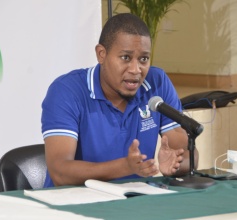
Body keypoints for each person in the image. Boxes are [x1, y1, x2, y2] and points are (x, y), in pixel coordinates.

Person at [41, 13, 198, 187]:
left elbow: (188, 155)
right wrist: (125, 167)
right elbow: (60, 172)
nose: (136, 69)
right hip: (72, 205)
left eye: (143, 59)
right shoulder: (67, 91)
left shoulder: (157, 83)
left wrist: (175, 164)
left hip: (136, 202)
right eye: (126, 58)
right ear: (101, 54)